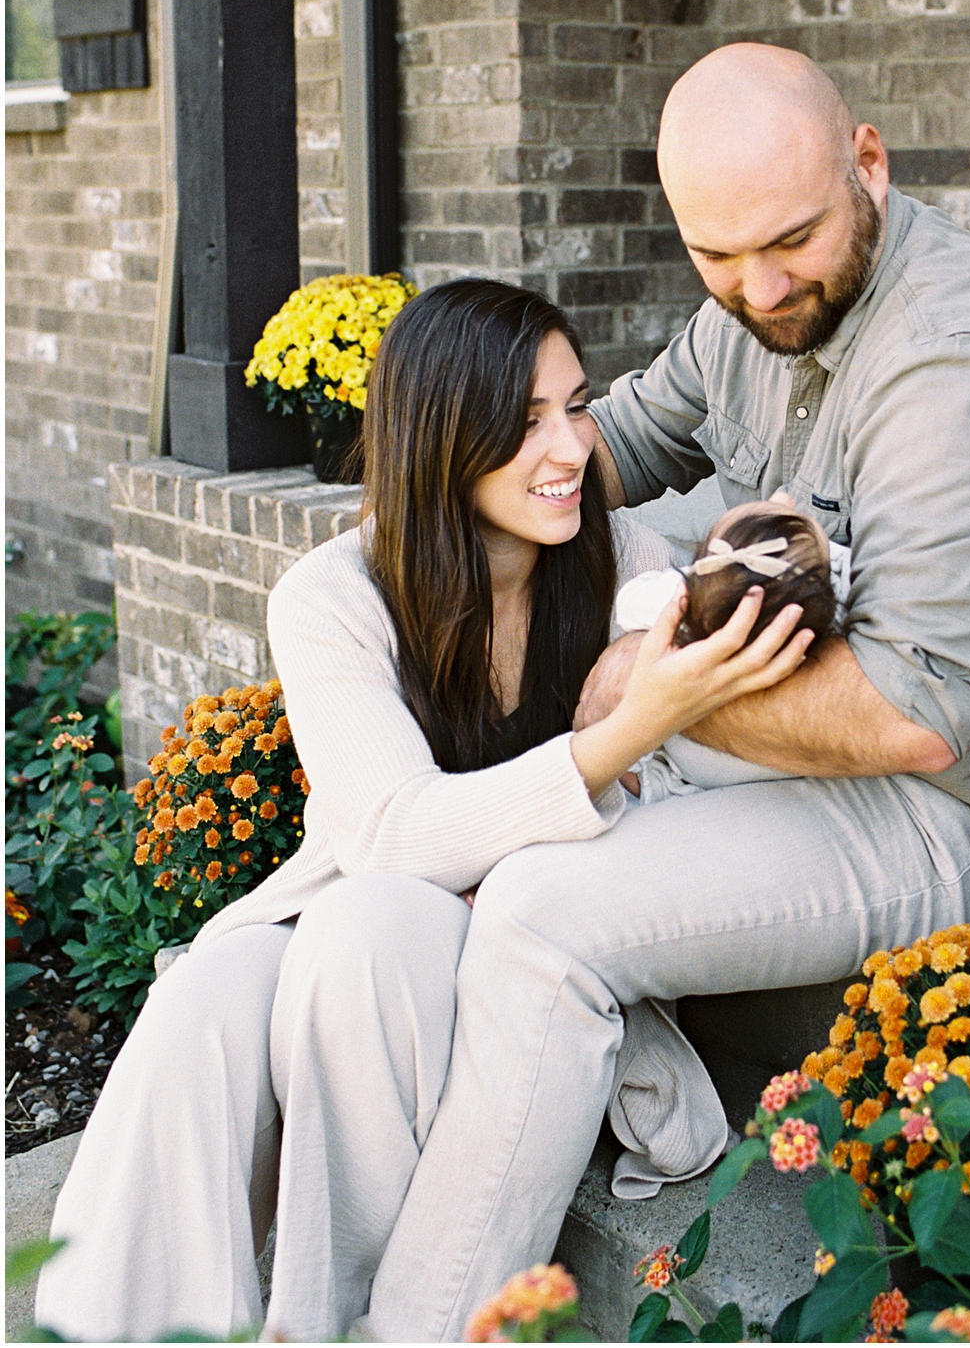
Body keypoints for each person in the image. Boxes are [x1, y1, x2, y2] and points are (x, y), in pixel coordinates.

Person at [350, 44, 970, 1342]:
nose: (761, 286)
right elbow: (611, 445)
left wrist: (649, 687)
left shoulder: (955, 358)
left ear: (869, 162)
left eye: (791, 241)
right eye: (717, 255)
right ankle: (656, 1100)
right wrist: (398, 532)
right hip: (784, 756)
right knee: (489, 828)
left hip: (942, 806)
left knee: (537, 914)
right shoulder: (743, 303)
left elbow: (917, 709)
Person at [35, 279, 806, 1345]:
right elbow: (392, 828)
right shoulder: (334, 594)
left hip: (499, 961)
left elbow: (628, 824)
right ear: (441, 436)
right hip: (368, 924)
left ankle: (321, 1323)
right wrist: (616, 739)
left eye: (576, 407)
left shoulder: (623, 566)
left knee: (374, 925)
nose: (570, 449)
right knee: (201, 1001)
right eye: (525, 422)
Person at [615, 493, 846, 798]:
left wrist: (685, 589)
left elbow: (628, 602)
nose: (786, 497)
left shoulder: (684, 606)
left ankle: (652, 781)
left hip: (688, 754)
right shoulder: (828, 616)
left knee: (665, 760)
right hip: (760, 771)